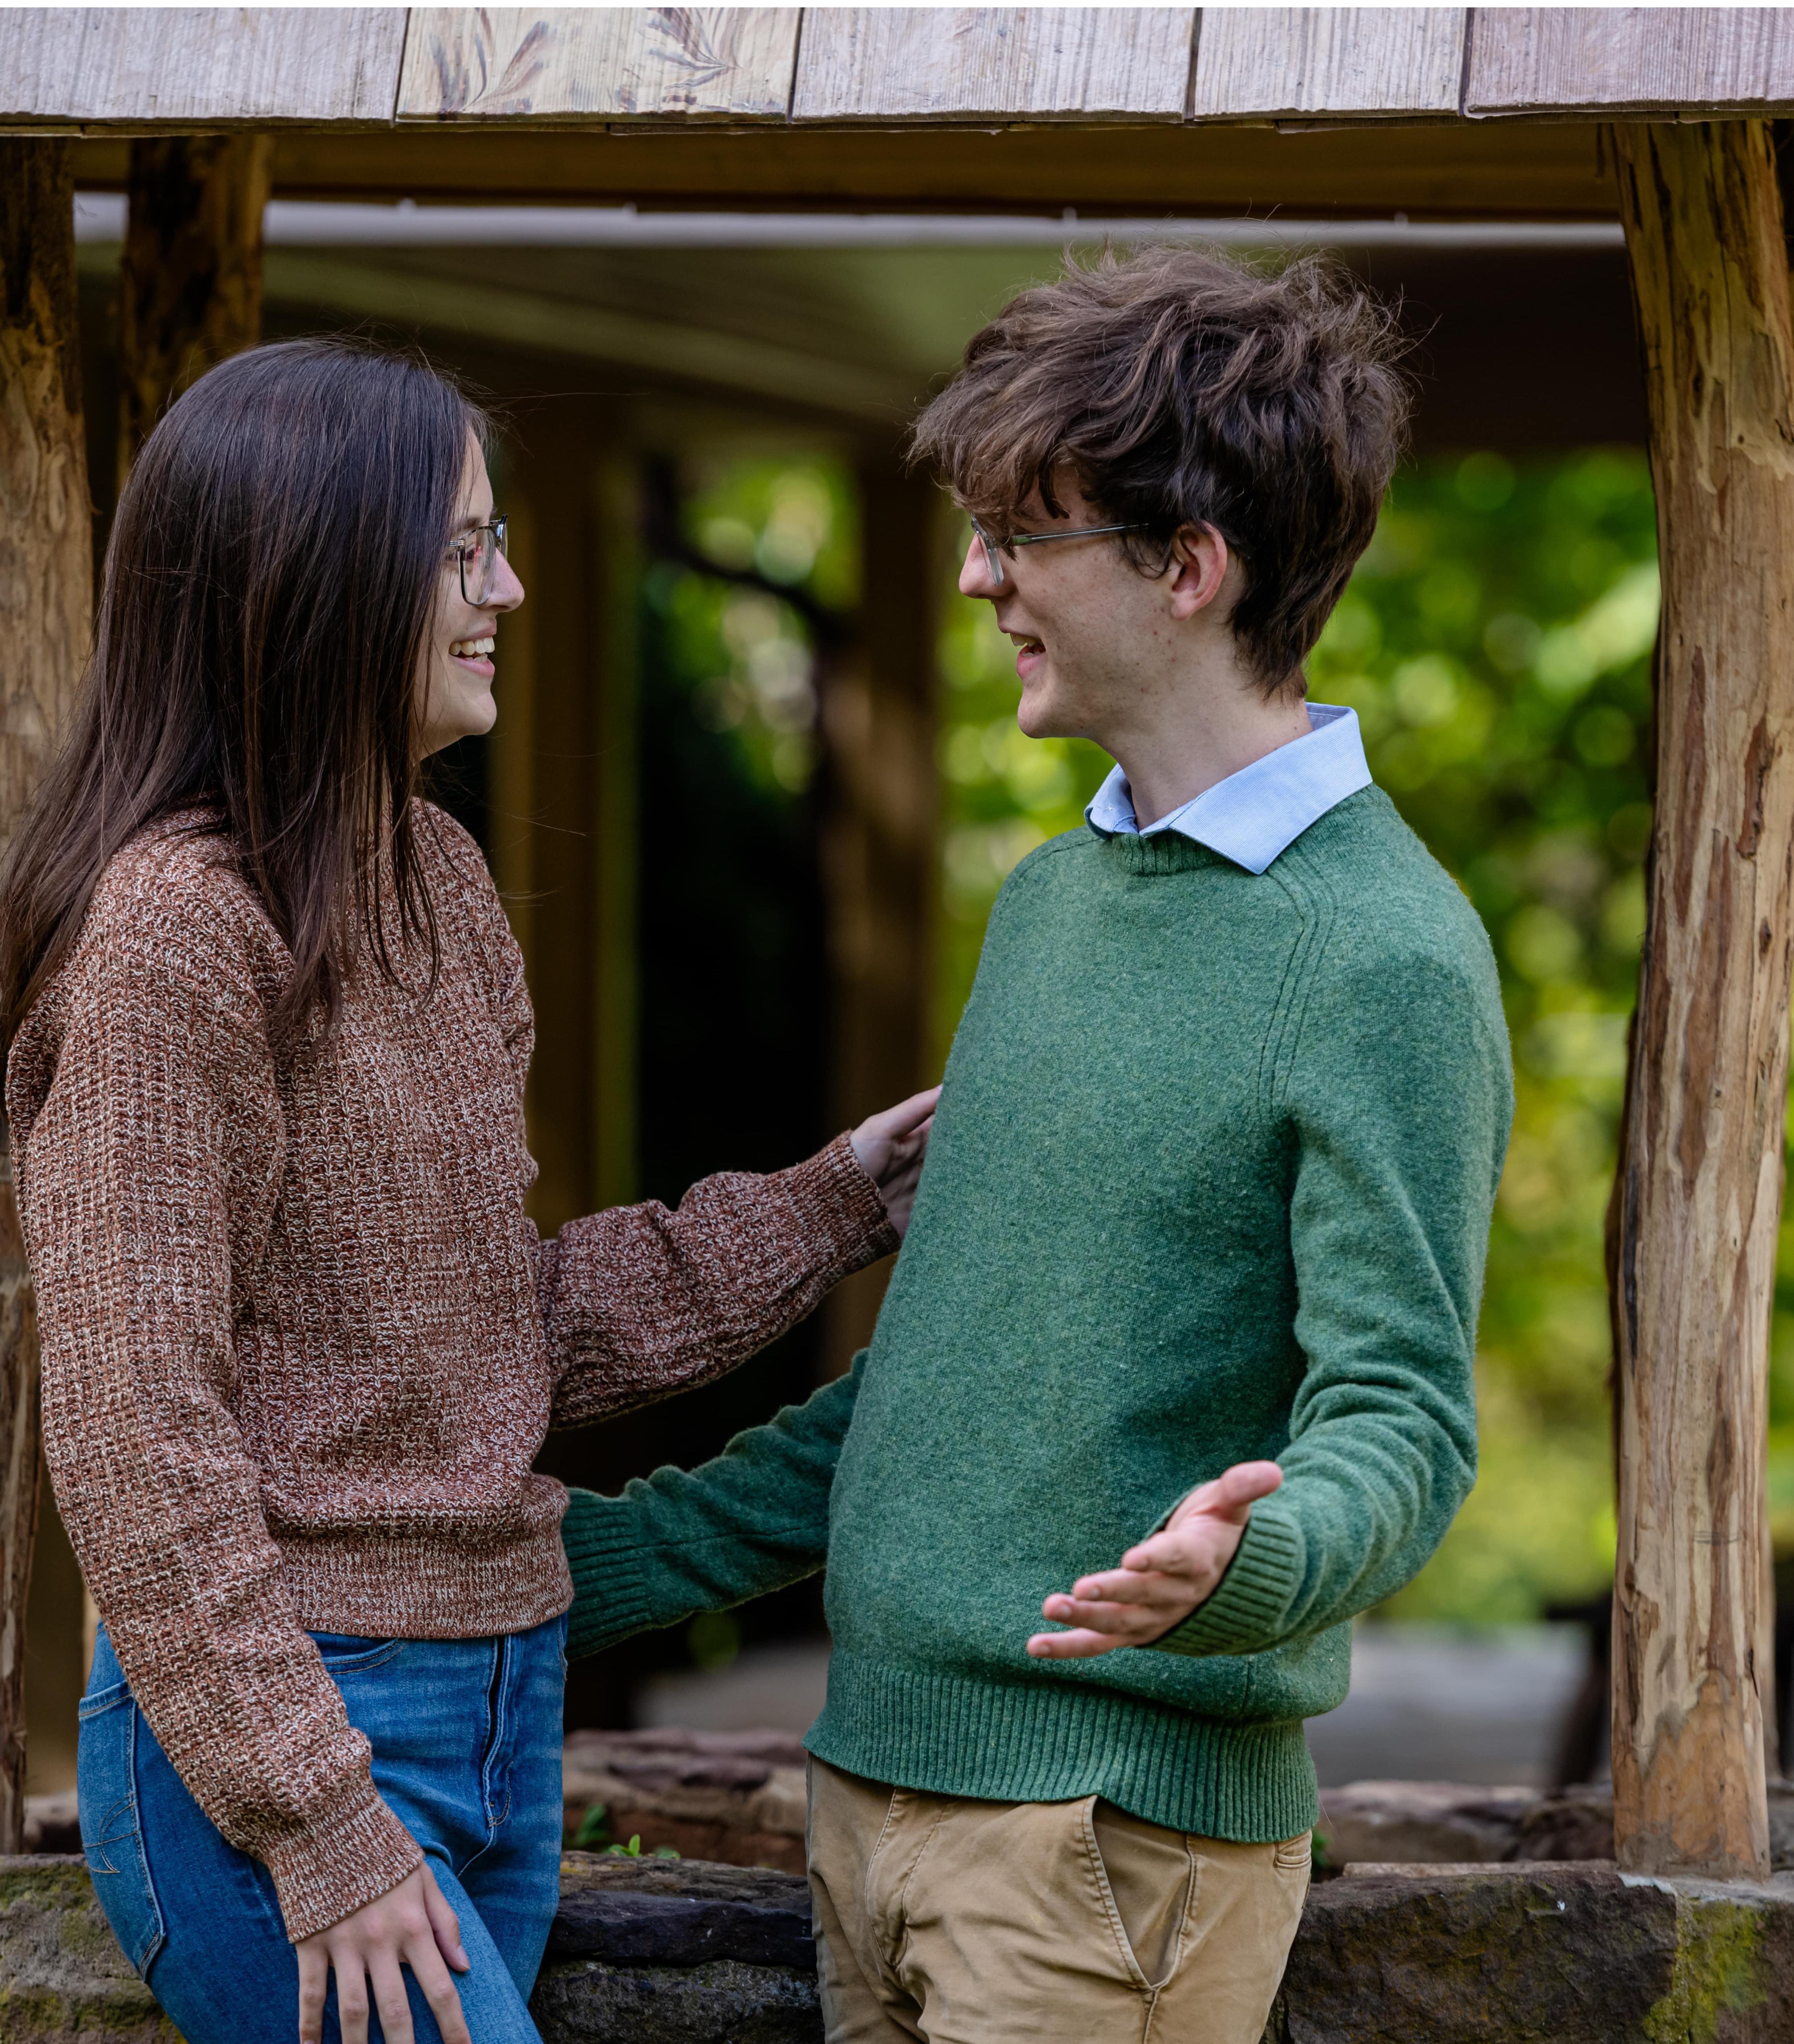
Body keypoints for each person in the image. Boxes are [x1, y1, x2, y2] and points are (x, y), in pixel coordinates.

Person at [562, 246, 1514, 2044]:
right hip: (869, 1799)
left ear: (1184, 567)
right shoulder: (1052, 902)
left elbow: (1398, 1414)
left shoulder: (1381, 954)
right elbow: (936, 1386)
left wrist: (1255, 1559)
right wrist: (562, 1572)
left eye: (1023, 532)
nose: (977, 574)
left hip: (1108, 1845)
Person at [0, 336, 938, 2044]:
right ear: (318, 579)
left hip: (498, 1709)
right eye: (460, 553)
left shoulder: (432, 878)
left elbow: (490, 1334)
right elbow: (136, 1433)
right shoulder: (172, 939)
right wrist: (321, 1822)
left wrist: (830, 1199)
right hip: (286, 1743)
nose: (506, 587)